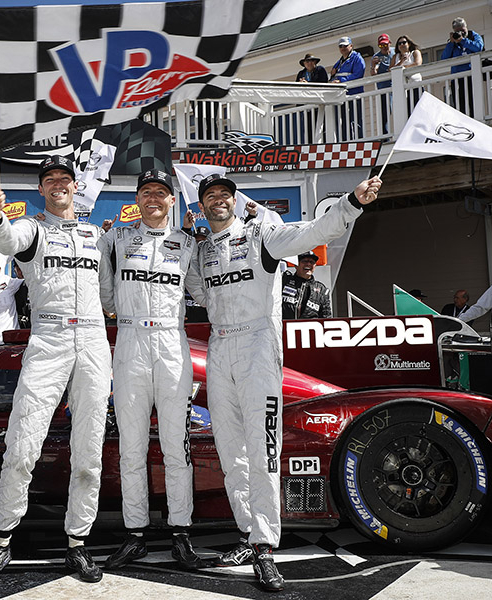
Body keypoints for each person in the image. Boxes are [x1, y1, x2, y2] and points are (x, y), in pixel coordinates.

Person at [190, 172, 381, 592]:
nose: (218, 200)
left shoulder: (262, 234)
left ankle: (264, 544)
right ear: (202, 205)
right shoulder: (201, 251)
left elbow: (313, 232)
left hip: (258, 345)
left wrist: (351, 203)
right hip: (219, 347)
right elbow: (196, 294)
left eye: (225, 194)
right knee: (230, 450)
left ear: (235, 201)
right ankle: (247, 533)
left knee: (263, 450)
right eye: (210, 196)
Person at [0, 156, 110, 587]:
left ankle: (78, 541)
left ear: (75, 186)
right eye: (50, 179)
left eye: (65, 179)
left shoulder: (96, 235)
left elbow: (108, 291)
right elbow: (9, 241)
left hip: (92, 339)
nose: (58, 185)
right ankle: (1, 541)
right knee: (22, 445)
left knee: (89, 453)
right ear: (41, 189)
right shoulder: (32, 228)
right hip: (48, 339)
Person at [97, 169, 206, 570]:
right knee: (132, 446)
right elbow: (103, 288)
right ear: (137, 199)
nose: (154, 198)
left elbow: (202, 291)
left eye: (161, 192)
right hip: (129, 342)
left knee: (176, 443)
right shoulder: (117, 238)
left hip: (171, 343)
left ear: (171, 200)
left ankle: (181, 530)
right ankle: (135, 532)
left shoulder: (187, 243)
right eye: (146, 192)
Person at [441, 17, 484, 115]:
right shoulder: (453, 42)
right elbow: (444, 58)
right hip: (457, 78)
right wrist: (452, 43)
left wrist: (463, 40)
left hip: (472, 75)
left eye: (462, 30)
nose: (461, 33)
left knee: (474, 103)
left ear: (466, 27)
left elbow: (478, 48)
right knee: (460, 106)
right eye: (458, 31)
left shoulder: (473, 36)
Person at [329, 37, 365, 141]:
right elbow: (333, 77)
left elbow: (358, 74)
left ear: (351, 46)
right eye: (341, 46)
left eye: (345, 45)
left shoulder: (357, 58)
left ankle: (358, 141)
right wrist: (332, 76)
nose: (343, 48)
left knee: (356, 120)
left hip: (354, 94)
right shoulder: (339, 62)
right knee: (344, 121)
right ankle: (345, 141)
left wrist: (341, 81)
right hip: (342, 96)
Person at [281, 251, 332, 319]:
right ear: (296, 265)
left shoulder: (322, 290)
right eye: (304, 261)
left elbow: (326, 318)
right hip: (283, 327)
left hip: (308, 328)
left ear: (315, 266)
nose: (308, 264)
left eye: (312, 262)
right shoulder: (284, 280)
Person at [390, 35, 423, 109]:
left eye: (404, 42)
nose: (402, 45)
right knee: (406, 111)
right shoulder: (395, 57)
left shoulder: (415, 52)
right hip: (401, 88)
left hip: (415, 85)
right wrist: (401, 61)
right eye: (399, 43)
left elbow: (417, 63)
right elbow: (390, 70)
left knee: (417, 108)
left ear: (409, 44)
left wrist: (403, 68)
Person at [371, 33, 394, 135]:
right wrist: (373, 65)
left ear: (390, 43)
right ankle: (385, 136)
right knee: (384, 114)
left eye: (385, 44)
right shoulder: (376, 56)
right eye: (381, 46)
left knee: (400, 110)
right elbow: (373, 74)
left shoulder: (395, 53)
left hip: (397, 85)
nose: (384, 47)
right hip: (383, 88)